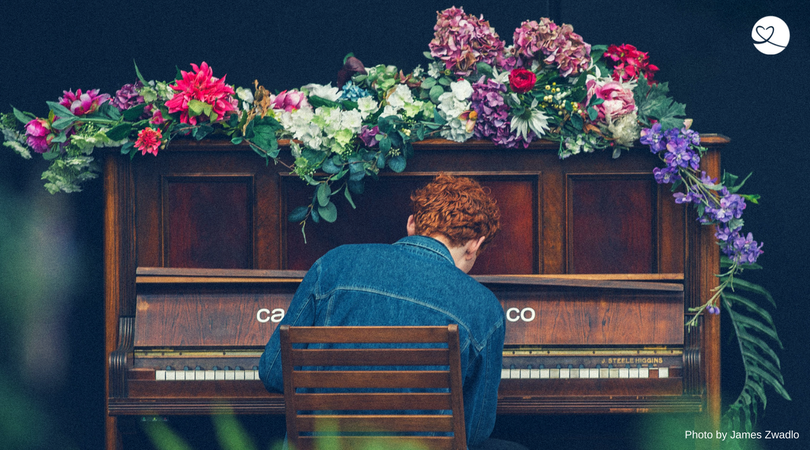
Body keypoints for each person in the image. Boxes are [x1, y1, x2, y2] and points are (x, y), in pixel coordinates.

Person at [259, 174, 526, 450]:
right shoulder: (483, 306)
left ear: (412, 223)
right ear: (475, 245)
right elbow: (476, 428)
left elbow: (273, 372)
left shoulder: (334, 264)